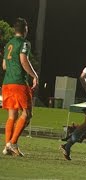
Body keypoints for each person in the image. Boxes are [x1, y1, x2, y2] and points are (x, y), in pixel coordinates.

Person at [2, 18, 39, 157]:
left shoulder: (8, 44)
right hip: (19, 83)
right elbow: (24, 60)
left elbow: (4, 66)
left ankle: (7, 146)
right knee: (27, 114)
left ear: (13, 30)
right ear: (25, 29)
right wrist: (34, 75)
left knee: (12, 115)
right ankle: (13, 143)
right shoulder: (24, 43)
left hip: (7, 83)